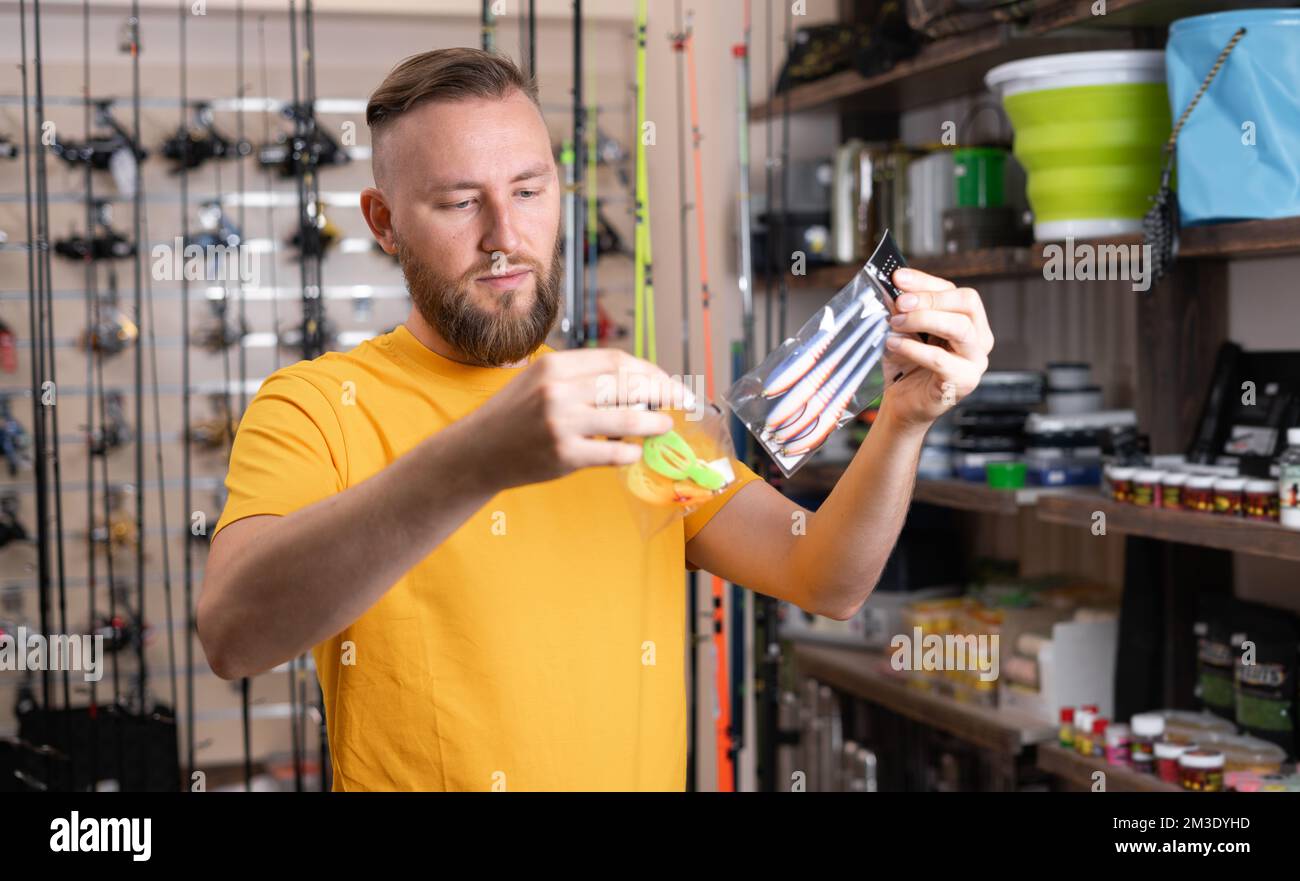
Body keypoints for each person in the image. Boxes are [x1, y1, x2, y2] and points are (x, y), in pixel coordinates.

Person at [197, 48, 993, 791]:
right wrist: (477, 459)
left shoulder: (632, 405)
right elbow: (234, 636)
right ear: (383, 221)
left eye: (529, 190)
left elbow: (826, 576)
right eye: (459, 201)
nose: (504, 238)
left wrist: (903, 421)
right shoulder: (317, 406)